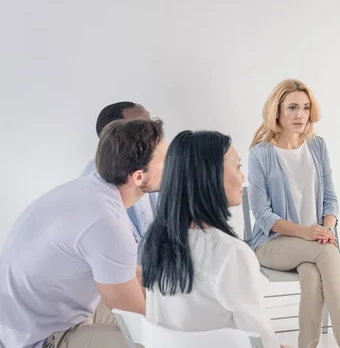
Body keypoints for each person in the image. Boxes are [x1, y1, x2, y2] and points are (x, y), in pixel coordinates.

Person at [0, 118, 167, 348]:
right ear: (139, 176)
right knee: (153, 342)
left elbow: (126, 272)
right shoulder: (106, 222)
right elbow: (139, 316)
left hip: (32, 317)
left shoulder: (91, 191)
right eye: (166, 160)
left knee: (161, 306)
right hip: (41, 338)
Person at [248, 79, 340, 348]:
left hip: (314, 241)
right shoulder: (260, 153)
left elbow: (330, 198)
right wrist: (308, 233)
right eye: (292, 108)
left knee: (312, 278)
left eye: (305, 107)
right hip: (272, 243)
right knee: (326, 253)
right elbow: (262, 213)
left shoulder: (317, 145)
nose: (301, 115)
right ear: (276, 111)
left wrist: (327, 228)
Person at [140, 131, 283, 348]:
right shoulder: (230, 253)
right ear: (211, 175)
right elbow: (261, 341)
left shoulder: (154, 241)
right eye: (237, 167)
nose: (243, 177)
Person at [81, 101, 156, 243]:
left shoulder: (151, 168)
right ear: (115, 136)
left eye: (151, 121)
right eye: (142, 125)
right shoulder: (96, 182)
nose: (153, 131)